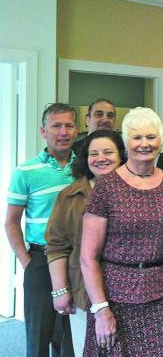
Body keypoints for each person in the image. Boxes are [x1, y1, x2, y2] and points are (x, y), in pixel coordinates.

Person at [80, 107, 163, 356]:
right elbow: (88, 257)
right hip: (115, 300)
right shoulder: (107, 187)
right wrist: (101, 310)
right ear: (125, 142)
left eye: (151, 137)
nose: (144, 144)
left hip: (162, 297)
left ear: (161, 141)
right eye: (137, 137)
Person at [5, 102, 78, 357]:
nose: (63, 131)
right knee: (38, 335)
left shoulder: (84, 168)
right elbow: (11, 222)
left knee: (71, 335)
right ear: (43, 131)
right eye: (56, 125)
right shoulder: (25, 171)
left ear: (76, 130)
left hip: (76, 261)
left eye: (69, 125)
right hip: (39, 259)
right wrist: (27, 262)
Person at [45, 130, 126, 357]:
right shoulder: (69, 195)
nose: (101, 158)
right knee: (86, 351)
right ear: (85, 158)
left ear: (121, 155)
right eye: (94, 153)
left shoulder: (137, 189)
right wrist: (59, 290)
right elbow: (56, 246)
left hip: (129, 291)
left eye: (108, 152)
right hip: (83, 292)